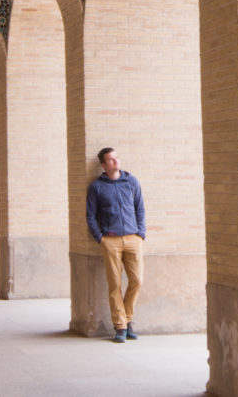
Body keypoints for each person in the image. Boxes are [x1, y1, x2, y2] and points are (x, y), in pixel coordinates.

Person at [85, 146, 145, 343]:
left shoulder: (131, 181)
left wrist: (140, 233)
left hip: (133, 238)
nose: (116, 161)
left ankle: (127, 320)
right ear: (103, 165)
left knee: (137, 281)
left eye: (117, 158)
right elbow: (91, 215)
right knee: (115, 285)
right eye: (111, 159)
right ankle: (120, 326)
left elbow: (140, 208)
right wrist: (100, 238)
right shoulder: (97, 187)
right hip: (110, 240)